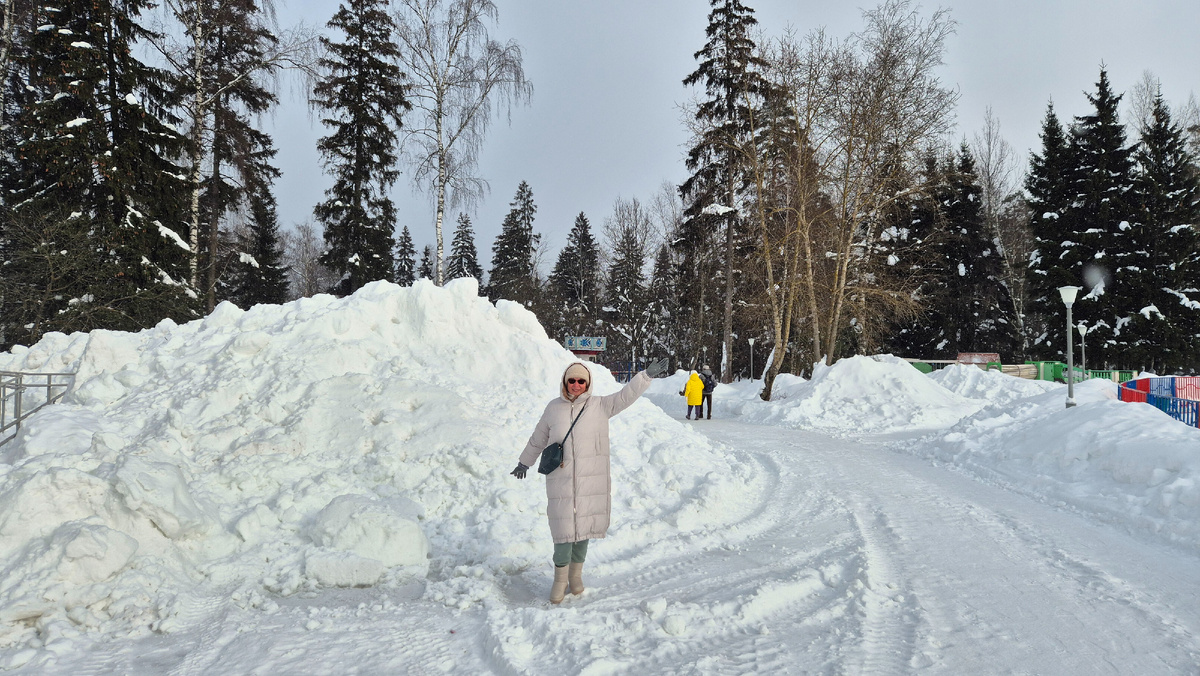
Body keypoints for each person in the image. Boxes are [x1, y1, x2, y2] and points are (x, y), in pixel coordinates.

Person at [509, 359, 667, 604]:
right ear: (565, 382)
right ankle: (560, 581)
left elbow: (626, 395)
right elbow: (538, 438)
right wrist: (524, 462)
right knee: (562, 532)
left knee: (583, 531)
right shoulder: (553, 408)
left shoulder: (601, 406)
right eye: (571, 380)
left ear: (588, 383)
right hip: (560, 478)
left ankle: (575, 577)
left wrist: (645, 376)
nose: (576, 385)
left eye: (581, 381)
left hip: (591, 480)